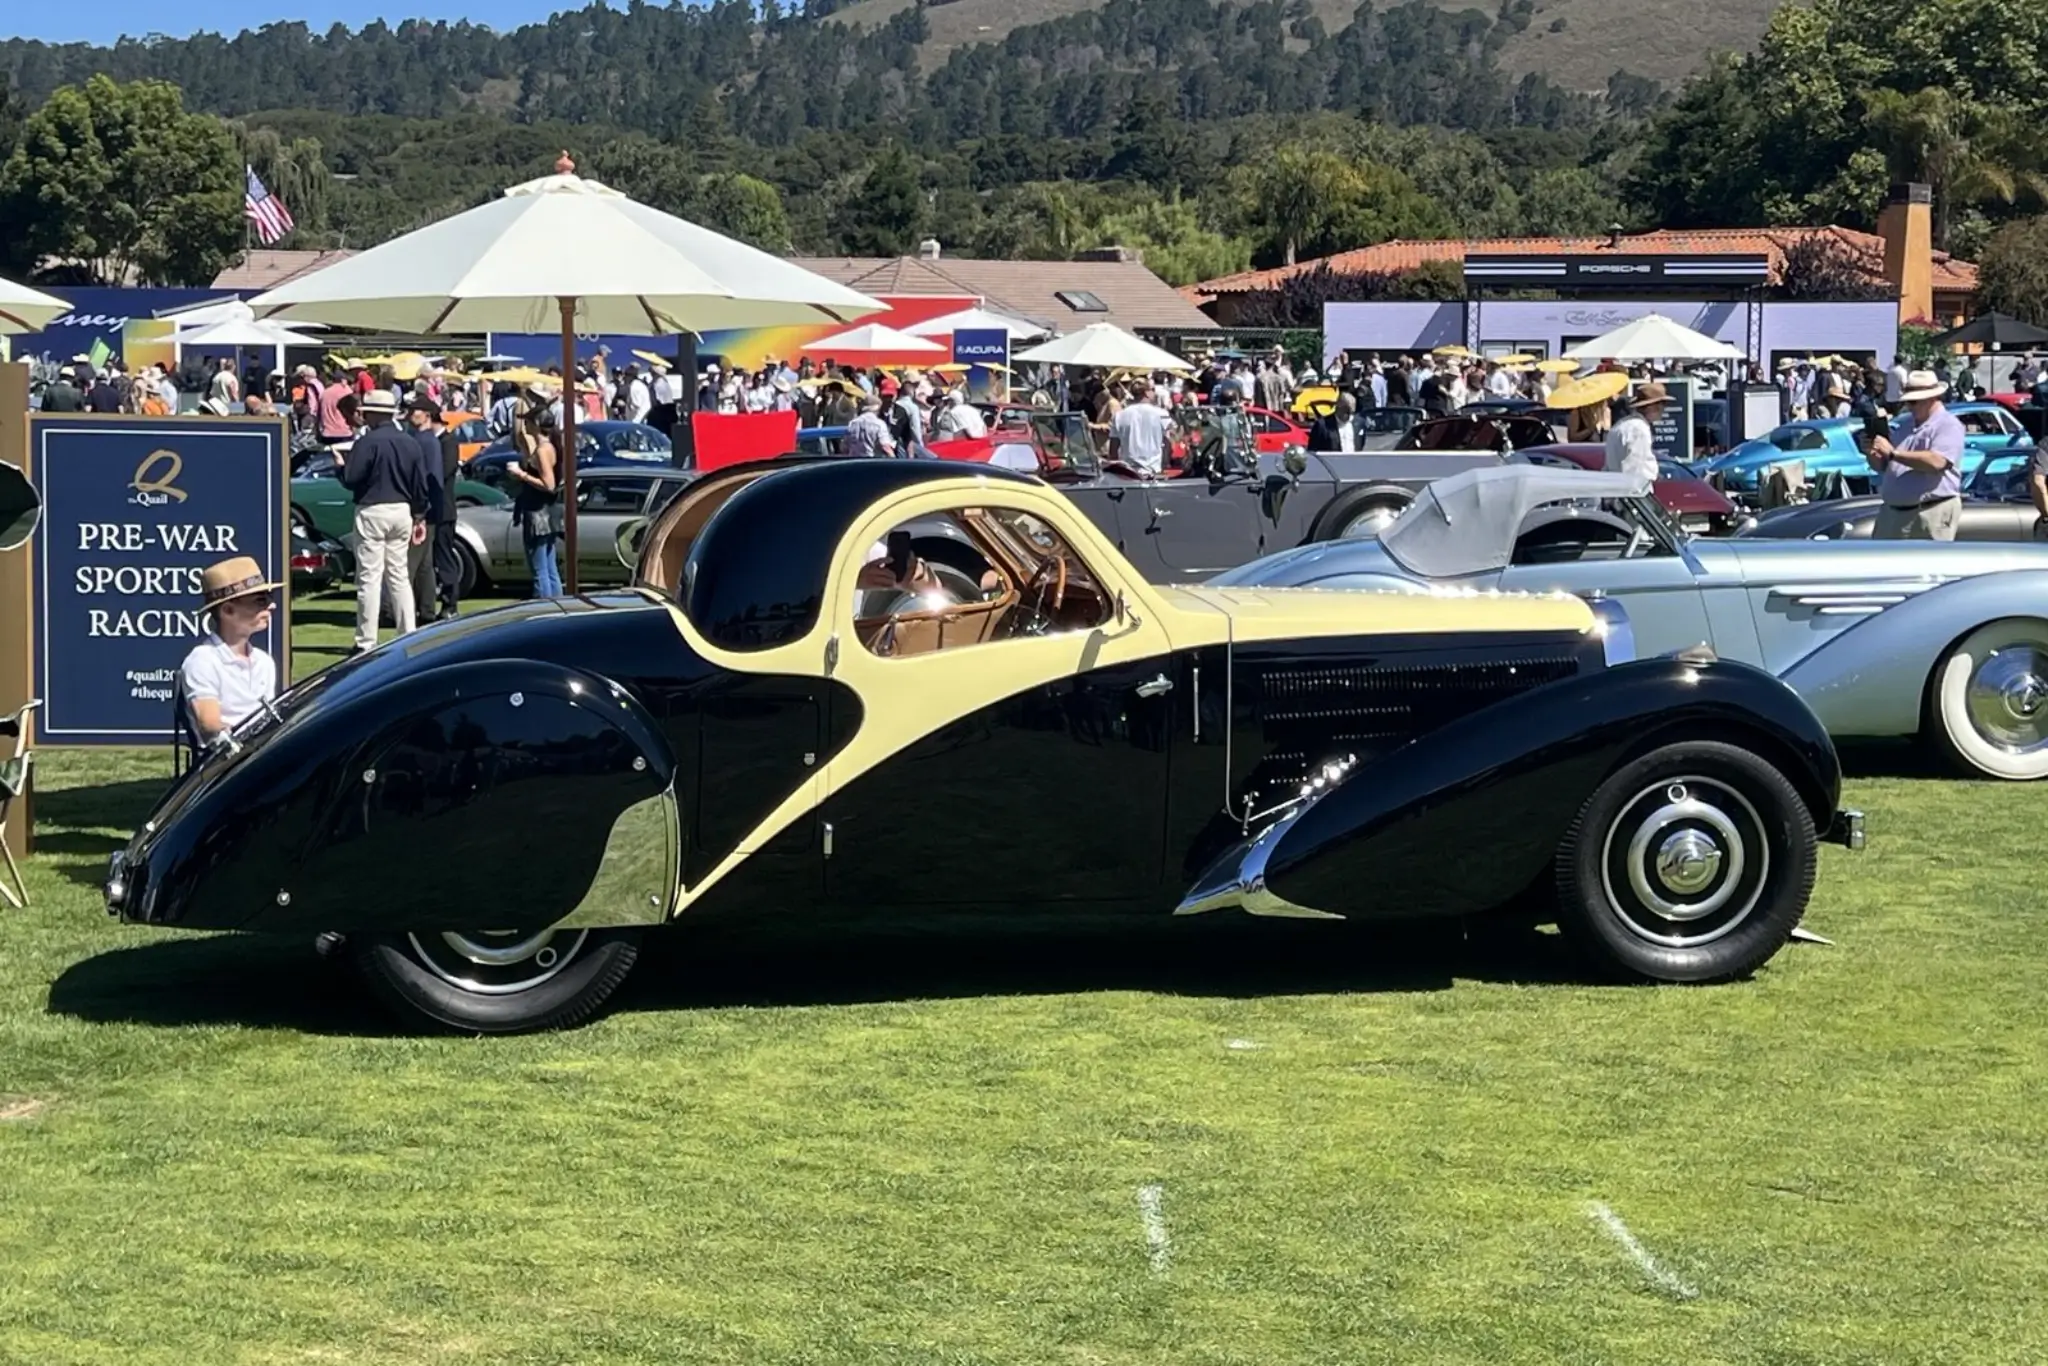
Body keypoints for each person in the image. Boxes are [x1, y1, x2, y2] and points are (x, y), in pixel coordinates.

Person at [337, 390, 430, 651]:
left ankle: (366, 640)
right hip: (402, 509)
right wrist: (419, 515)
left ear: (373, 414)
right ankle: (408, 633)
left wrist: (338, 468)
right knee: (399, 576)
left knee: (369, 578)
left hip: (373, 508)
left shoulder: (367, 443)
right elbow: (419, 484)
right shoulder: (410, 442)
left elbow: (352, 478)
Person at [179, 556, 281, 744]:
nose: (272, 605)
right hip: (225, 765)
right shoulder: (203, 660)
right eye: (260, 600)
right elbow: (209, 724)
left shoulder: (264, 662)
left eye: (269, 598)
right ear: (227, 611)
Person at [1867, 370, 1965, 541]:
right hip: (1893, 512)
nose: (1909, 407)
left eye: (1913, 402)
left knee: (1927, 565)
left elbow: (1937, 462)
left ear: (1931, 398)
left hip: (1930, 511)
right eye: (1908, 402)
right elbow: (1884, 466)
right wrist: (1872, 452)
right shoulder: (1906, 424)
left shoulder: (1948, 425)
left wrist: (1892, 453)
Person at [506, 393, 563, 596]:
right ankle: (558, 609)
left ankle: (546, 611)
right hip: (547, 511)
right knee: (549, 567)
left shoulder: (543, 450)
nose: (525, 425)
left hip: (539, 514)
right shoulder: (550, 446)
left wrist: (521, 474)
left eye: (528, 421)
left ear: (537, 424)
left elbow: (549, 484)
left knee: (540, 570)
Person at [403, 394, 450, 623]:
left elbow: (427, 478)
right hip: (430, 508)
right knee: (424, 564)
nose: (411, 414)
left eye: (415, 411)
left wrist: (420, 512)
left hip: (424, 510)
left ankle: (407, 611)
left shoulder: (424, 441)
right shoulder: (426, 439)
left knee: (412, 563)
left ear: (427, 415)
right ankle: (427, 610)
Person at [1603, 382, 1666, 483]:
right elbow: (1637, 468)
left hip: (1616, 487)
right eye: (1661, 405)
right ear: (1652, 407)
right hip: (1633, 491)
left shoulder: (1620, 425)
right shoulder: (1639, 429)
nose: (1662, 410)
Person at [1108, 383, 1169, 476]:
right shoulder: (1161, 414)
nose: (1155, 393)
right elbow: (1168, 442)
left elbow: (1113, 449)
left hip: (1127, 472)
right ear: (1146, 393)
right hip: (1153, 471)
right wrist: (1165, 463)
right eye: (1153, 389)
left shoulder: (1119, 416)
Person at [845, 394, 897, 459]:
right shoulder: (879, 424)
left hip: (855, 464)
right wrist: (894, 460)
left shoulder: (852, 423)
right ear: (877, 408)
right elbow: (885, 447)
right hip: (872, 464)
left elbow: (845, 447)